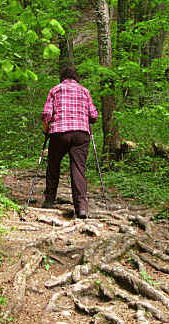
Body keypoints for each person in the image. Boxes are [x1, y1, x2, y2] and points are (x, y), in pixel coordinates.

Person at [41, 66, 98, 219]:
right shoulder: (84, 91)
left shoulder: (55, 90)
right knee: (78, 169)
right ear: (76, 78)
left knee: (53, 165)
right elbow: (93, 115)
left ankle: (49, 201)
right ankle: (81, 208)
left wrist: (45, 130)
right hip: (81, 134)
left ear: (62, 77)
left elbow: (46, 113)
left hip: (59, 133)